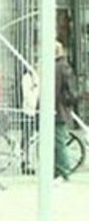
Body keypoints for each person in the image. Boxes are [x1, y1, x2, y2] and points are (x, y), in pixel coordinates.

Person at [55, 40, 77, 181]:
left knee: (59, 141)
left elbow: (60, 90)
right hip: (59, 109)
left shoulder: (59, 67)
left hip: (58, 110)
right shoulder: (62, 66)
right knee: (57, 141)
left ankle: (63, 171)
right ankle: (59, 170)